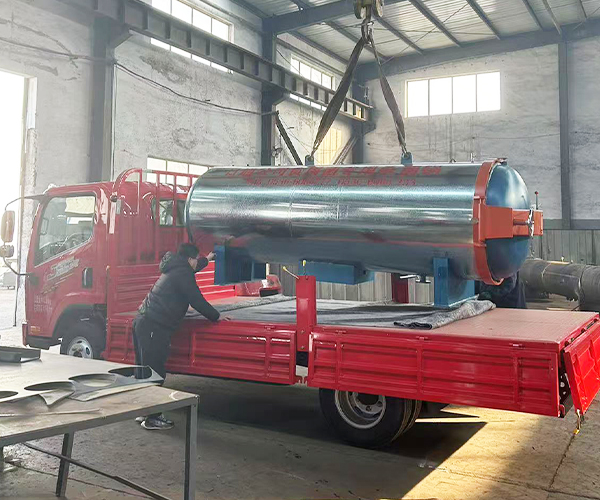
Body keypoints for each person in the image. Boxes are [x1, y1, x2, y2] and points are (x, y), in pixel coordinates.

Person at [133, 243, 222, 430]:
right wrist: (217, 317)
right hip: (154, 326)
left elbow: (194, 268)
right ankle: (153, 418)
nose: (196, 263)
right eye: (195, 260)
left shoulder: (176, 267)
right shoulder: (183, 273)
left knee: (144, 371)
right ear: (189, 259)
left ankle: (144, 411)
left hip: (144, 322)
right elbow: (196, 299)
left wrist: (208, 259)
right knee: (154, 372)